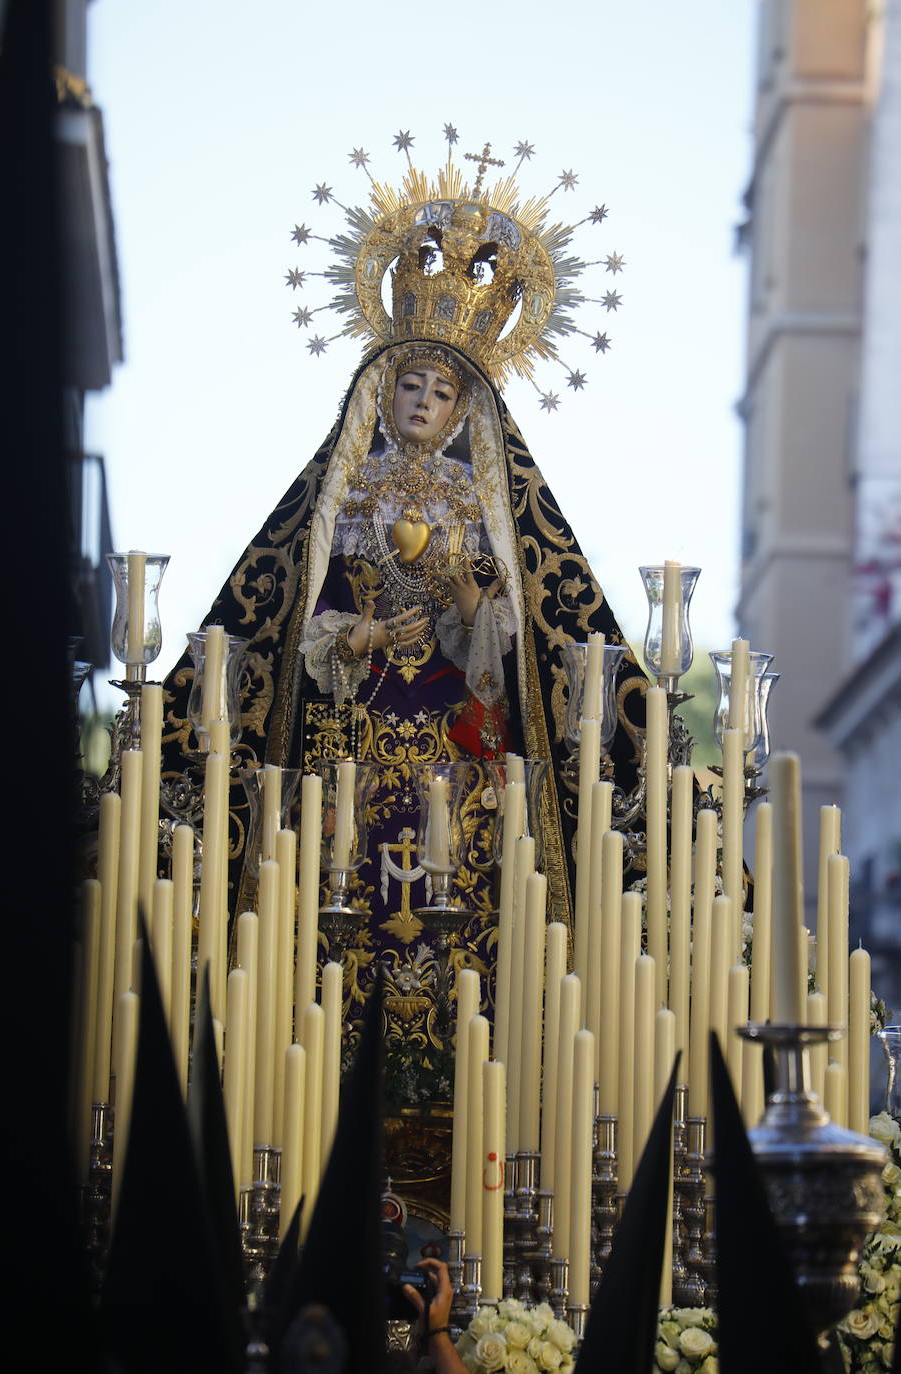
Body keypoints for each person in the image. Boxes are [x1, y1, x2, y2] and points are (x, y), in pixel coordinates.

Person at [159, 147, 647, 1043]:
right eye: (409, 384)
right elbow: (285, 622)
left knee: (463, 916)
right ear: (381, 395)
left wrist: (470, 605)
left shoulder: (487, 508)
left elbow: (514, 654)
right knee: (334, 916)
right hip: (350, 741)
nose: (423, 400)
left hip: (457, 752)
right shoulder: (338, 499)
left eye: (441, 390)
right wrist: (359, 636)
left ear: (464, 412)